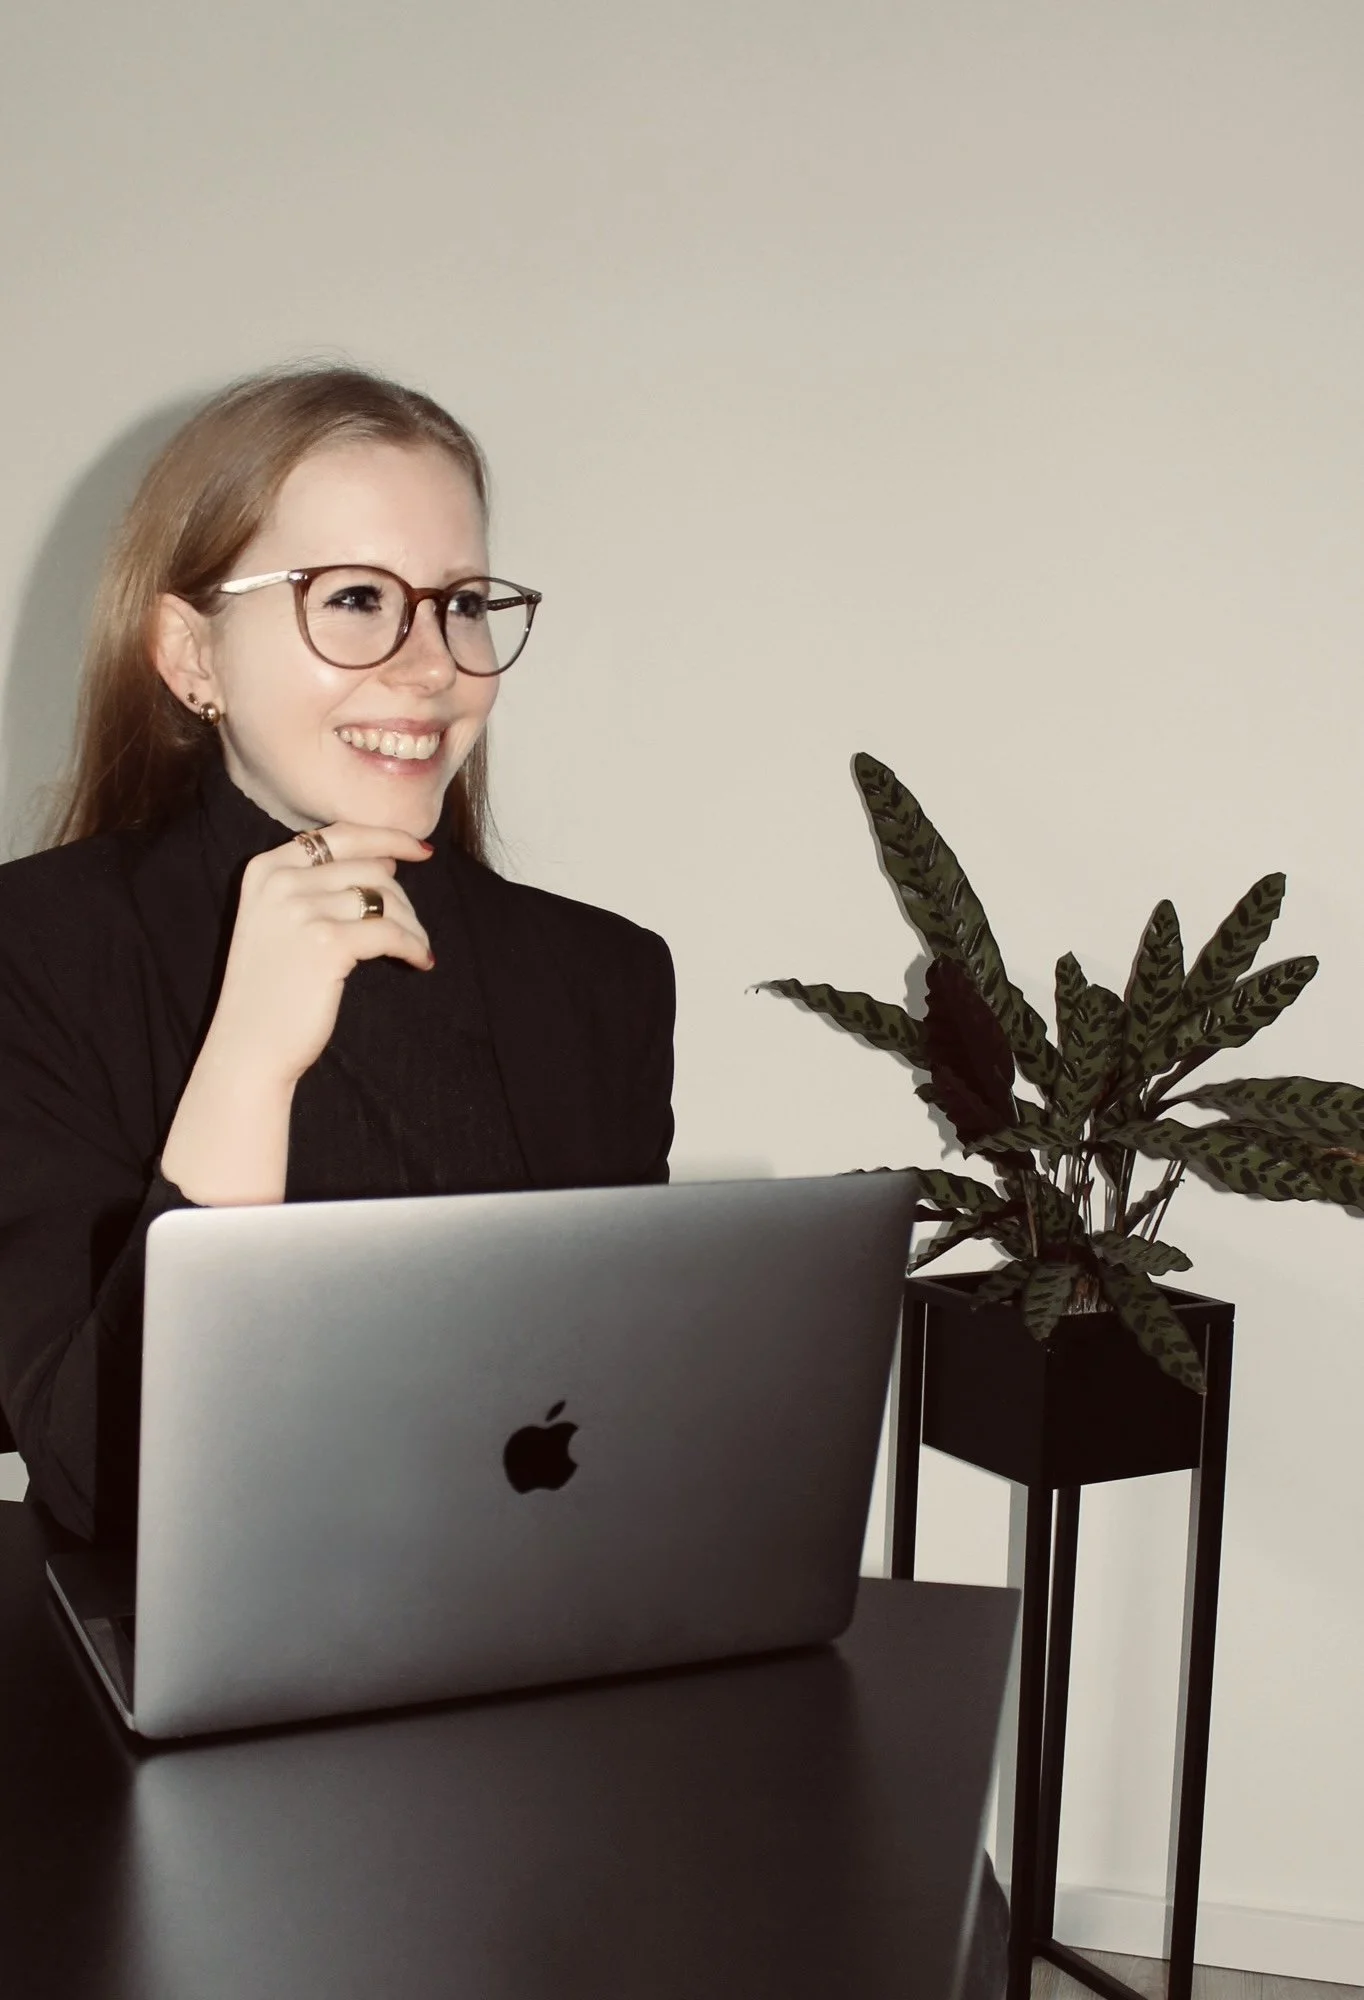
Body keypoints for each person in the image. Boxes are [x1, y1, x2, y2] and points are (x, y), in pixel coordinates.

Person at [0, 364, 675, 1545]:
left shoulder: (600, 978)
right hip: (181, 1684)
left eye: (461, 603)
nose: (431, 666)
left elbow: (604, 1431)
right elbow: (100, 1478)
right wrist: (248, 1064)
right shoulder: (38, 953)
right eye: (358, 598)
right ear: (190, 655)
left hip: (534, 1648)